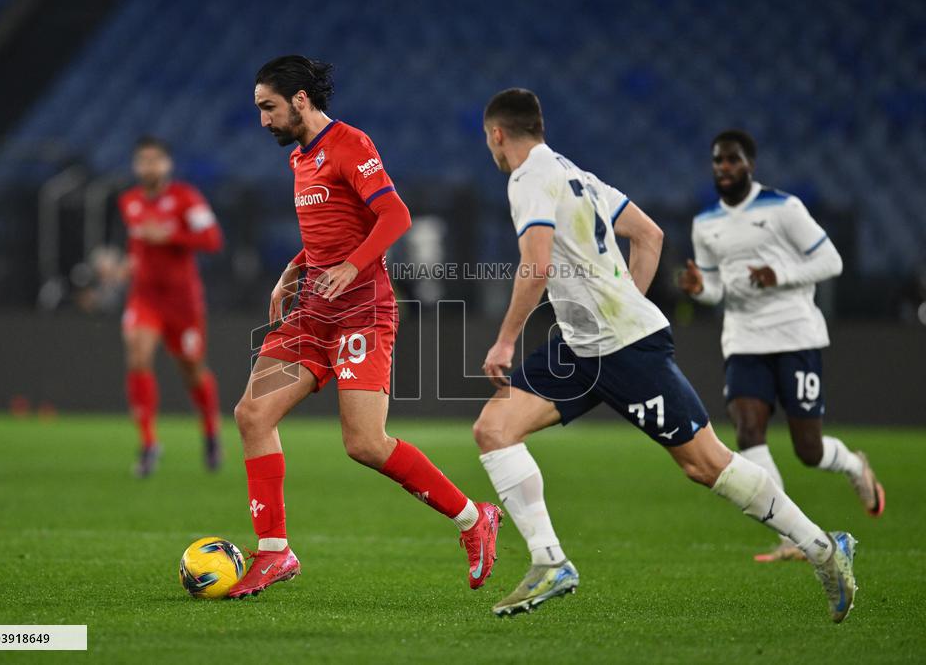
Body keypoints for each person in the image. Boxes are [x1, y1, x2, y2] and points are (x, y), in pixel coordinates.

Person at [471, 88, 856, 622]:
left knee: (705, 464)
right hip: (582, 347)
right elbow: (648, 235)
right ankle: (549, 561)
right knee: (494, 429)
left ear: (497, 134)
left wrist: (507, 339)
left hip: (627, 349)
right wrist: (622, 295)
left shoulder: (528, 178)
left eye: (488, 140)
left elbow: (534, 265)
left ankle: (823, 547)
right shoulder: (574, 173)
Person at [227, 55, 501, 599]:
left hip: (362, 310)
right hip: (314, 309)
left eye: (268, 108)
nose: (263, 121)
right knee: (253, 414)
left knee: (365, 443)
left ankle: (473, 518)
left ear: (300, 99)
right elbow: (331, 230)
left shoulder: (351, 144)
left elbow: (395, 216)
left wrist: (351, 268)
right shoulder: (299, 160)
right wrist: (293, 270)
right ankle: (274, 554)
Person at [678, 130, 884, 562]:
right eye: (718, 161)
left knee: (808, 449)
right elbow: (715, 289)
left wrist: (779, 273)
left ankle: (853, 466)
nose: (724, 169)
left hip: (795, 336)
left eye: (732, 160)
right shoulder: (705, 223)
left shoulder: (784, 208)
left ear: (750, 164)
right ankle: (793, 535)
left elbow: (831, 260)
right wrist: (700, 289)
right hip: (743, 339)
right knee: (748, 431)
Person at [119, 136, 224, 477]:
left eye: (154, 160)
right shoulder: (130, 201)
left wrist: (171, 236)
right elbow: (138, 249)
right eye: (142, 160)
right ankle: (149, 443)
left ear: (167, 164)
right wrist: (123, 268)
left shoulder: (185, 199)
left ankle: (210, 432)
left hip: (182, 301)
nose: (148, 166)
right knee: (137, 354)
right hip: (146, 296)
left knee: (191, 368)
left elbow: (212, 239)